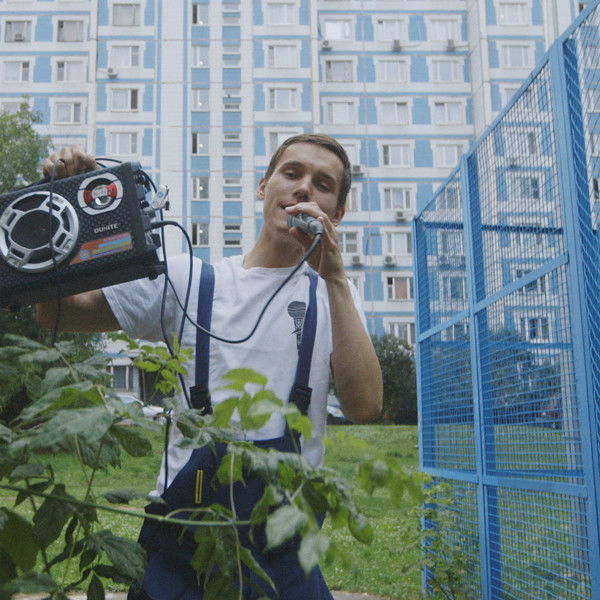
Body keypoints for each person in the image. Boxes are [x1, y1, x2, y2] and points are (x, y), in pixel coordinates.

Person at [37, 134, 383, 599]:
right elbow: (58, 314)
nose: (303, 188)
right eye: (292, 173)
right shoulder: (190, 279)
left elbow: (365, 406)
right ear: (263, 187)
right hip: (181, 546)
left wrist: (335, 276)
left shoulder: (334, 296)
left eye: (323, 184)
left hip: (284, 553)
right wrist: (63, 205)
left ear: (336, 214)